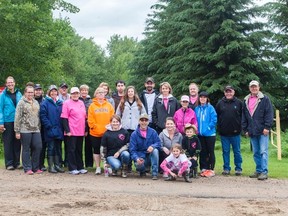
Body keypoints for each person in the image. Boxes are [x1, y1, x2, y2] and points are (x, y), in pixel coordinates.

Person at [242, 80, 273, 180]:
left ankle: (264, 172)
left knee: (263, 151)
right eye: (252, 87)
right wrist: (245, 129)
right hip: (252, 130)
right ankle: (258, 170)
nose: (254, 88)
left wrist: (267, 127)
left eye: (255, 86)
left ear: (259, 87)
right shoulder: (246, 100)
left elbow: (269, 114)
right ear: (249, 88)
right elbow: (244, 116)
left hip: (263, 130)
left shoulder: (265, 99)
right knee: (256, 152)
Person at [14, 85, 42, 174]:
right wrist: (17, 131)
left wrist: (39, 127)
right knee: (26, 149)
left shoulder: (36, 102)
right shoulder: (21, 103)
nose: (30, 94)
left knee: (38, 147)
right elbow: (18, 117)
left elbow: (38, 116)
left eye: (31, 92)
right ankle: (27, 168)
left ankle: (35, 167)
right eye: (28, 92)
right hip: (25, 129)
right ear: (25, 93)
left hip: (36, 129)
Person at [216, 85, 243, 176]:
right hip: (224, 134)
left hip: (236, 133)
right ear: (224, 93)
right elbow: (217, 117)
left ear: (233, 92)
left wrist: (241, 128)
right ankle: (226, 168)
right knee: (225, 151)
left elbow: (243, 116)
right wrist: (219, 129)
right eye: (227, 91)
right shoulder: (220, 103)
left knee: (237, 152)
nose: (228, 93)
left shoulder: (239, 103)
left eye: (230, 91)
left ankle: (238, 168)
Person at [61, 87, 88, 175]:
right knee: (71, 149)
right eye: (73, 93)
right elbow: (64, 118)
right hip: (71, 131)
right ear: (71, 94)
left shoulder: (81, 103)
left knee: (79, 150)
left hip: (80, 130)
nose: (75, 95)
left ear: (79, 94)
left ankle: (80, 167)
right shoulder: (66, 103)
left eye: (76, 93)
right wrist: (67, 130)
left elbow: (84, 117)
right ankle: (72, 168)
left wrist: (85, 129)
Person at [88, 87, 114, 175]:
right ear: (96, 94)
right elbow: (90, 119)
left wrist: (110, 128)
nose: (100, 94)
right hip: (95, 133)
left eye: (102, 92)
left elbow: (112, 118)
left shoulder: (109, 105)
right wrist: (94, 127)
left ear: (105, 94)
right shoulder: (92, 106)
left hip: (107, 132)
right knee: (96, 150)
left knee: (107, 150)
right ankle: (98, 167)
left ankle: (107, 166)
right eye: (98, 93)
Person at [40, 85, 65, 173]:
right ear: (49, 92)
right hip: (50, 129)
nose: (53, 93)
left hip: (59, 129)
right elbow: (43, 116)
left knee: (58, 147)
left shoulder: (60, 103)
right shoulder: (45, 103)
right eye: (52, 91)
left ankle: (57, 165)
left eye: (55, 91)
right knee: (51, 147)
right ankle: (51, 166)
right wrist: (49, 126)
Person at [129, 113, 161, 180]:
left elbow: (158, 143)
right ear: (139, 121)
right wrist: (136, 158)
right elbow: (132, 150)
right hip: (140, 157)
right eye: (142, 120)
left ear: (148, 122)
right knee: (138, 165)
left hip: (150, 156)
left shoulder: (153, 132)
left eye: (145, 120)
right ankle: (142, 171)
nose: (144, 122)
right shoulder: (134, 134)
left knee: (155, 150)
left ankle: (154, 173)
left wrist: (153, 146)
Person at [0, 76, 22, 170]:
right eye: (8, 83)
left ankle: (16, 162)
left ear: (14, 83)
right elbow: (0, 109)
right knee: (8, 143)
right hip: (7, 121)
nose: (10, 84)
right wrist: (1, 122)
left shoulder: (19, 93)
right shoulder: (2, 95)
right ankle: (9, 163)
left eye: (11, 82)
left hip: (17, 121)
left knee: (17, 142)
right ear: (6, 84)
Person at [195, 91, 217, 177]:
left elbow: (214, 120)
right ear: (199, 98)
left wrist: (208, 128)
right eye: (201, 97)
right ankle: (203, 168)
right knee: (202, 152)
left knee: (210, 152)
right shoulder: (197, 108)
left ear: (207, 99)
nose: (202, 99)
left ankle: (211, 169)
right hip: (200, 134)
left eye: (204, 97)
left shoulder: (210, 108)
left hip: (210, 134)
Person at [79, 84, 93, 168]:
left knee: (89, 145)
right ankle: (80, 163)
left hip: (88, 124)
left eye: (85, 90)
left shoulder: (91, 101)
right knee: (79, 145)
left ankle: (89, 164)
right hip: (79, 124)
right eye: (82, 90)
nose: (84, 92)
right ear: (80, 91)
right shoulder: (77, 100)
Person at [34, 83, 47, 171]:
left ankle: (41, 164)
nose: (38, 91)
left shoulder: (45, 100)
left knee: (43, 146)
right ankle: (34, 164)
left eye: (39, 90)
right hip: (34, 126)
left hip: (43, 127)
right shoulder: (31, 100)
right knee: (34, 146)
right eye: (37, 90)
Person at [58, 82, 70, 166]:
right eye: (62, 88)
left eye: (65, 88)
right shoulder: (57, 97)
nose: (64, 89)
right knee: (58, 143)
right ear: (59, 89)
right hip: (58, 122)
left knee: (68, 143)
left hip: (68, 123)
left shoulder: (70, 97)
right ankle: (59, 161)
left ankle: (67, 161)